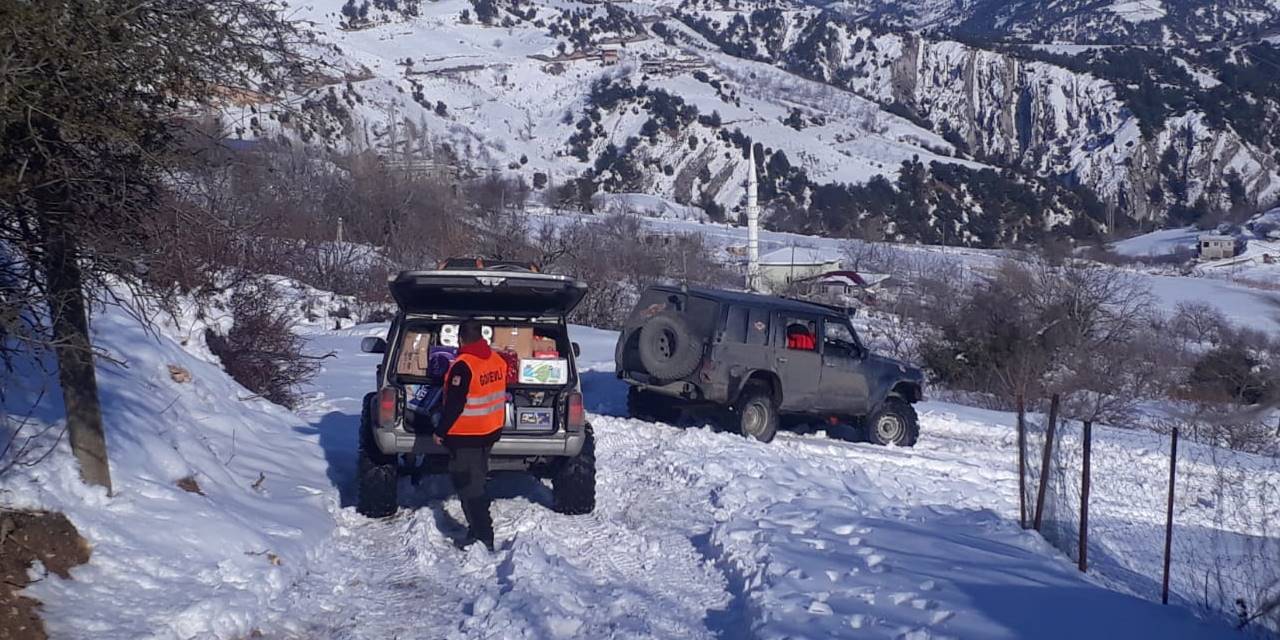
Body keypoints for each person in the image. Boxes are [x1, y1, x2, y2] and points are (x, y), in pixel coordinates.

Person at [433, 319, 508, 550]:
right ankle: (479, 530)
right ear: (482, 337)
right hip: (488, 432)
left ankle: (483, 536)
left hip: (467, 436)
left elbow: (455, 404)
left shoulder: (463, 366)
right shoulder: (496, 359)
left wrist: (440, 431)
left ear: (461, 339)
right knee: (476, 481)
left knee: (469, 487)